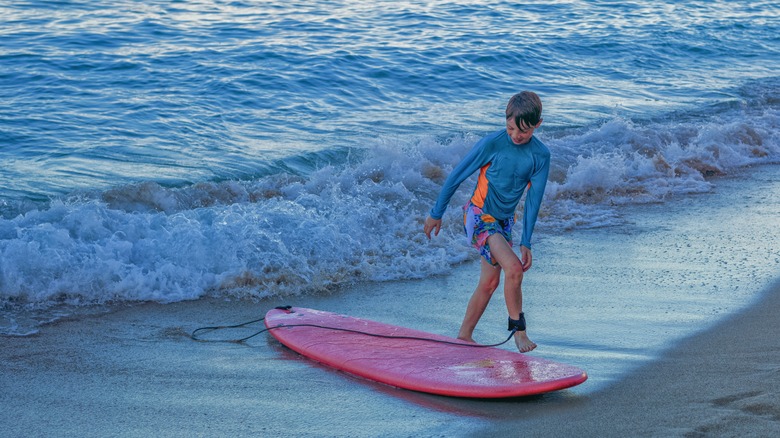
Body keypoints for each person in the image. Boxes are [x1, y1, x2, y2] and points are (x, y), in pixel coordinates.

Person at [423, 91, 550, 353]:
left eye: (524, 131)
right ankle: (519, 331)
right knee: (513, 269)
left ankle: (464, 337)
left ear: (538, 124)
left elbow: (533, 200)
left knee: (490, 283)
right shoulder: (492, 143)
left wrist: (526, 241)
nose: (516, 135)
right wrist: (437, 213)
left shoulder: (540, 156)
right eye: (511, 128)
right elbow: (456, 176)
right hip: (479, 216)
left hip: (502, 222)